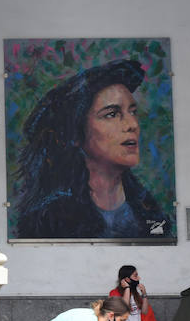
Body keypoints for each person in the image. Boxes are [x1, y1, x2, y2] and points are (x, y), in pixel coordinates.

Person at [12, 58, 172, 239]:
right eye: (112, 114)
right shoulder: (49, 220)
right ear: (75, 134)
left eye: (132, 112)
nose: (132, 124)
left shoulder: (148, 211)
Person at [100, 264, 165, 321]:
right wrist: (127, 288)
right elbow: (124, 308)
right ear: (126, 279)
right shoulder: (114, 293)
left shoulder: (135, 294)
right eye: (135, 275)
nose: (138, 278)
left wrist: (144, 295)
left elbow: (145, 311)